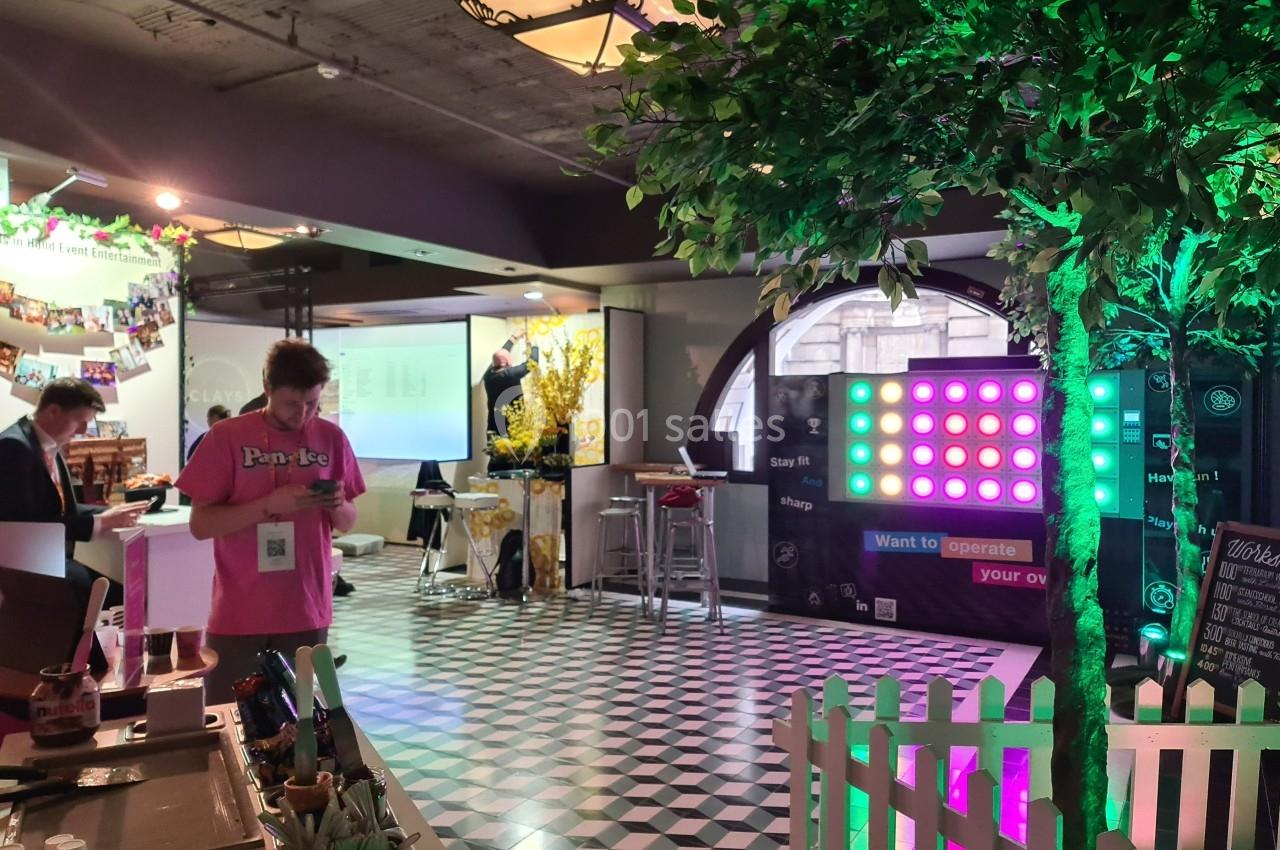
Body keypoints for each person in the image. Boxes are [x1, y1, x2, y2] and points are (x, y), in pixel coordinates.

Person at [177, 339, 365, 700]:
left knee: (302, 725)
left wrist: (336, 503)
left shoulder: (330, 438)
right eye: (292, 404)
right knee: (229, 721)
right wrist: (267, 505)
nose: (303, 414)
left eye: (312, 403)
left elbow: (348, 522)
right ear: (267, 388)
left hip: (306, 608)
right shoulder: (226, 437)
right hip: (238, 611)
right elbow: (201, 526)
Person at [0, 379, 151, 604]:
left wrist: (111, 511)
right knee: (121, 595)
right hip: (25, 566)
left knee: (127, 589)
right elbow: (28, 526)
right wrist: (101, 522)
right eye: (80, 421)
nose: (83, 431)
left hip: (47, 558)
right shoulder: (14, 447)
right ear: (53, 411)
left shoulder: (47, 443)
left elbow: (62, 508)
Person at [483, 331, 539, 471]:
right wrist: (534, 344)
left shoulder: (488, 376)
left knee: (497, 459)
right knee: (514, 460)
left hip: (494, 425)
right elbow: (533, 362)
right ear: (507, 362)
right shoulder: (510, 375)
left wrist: (513, 338)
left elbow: (499, 356)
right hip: (513, 427)